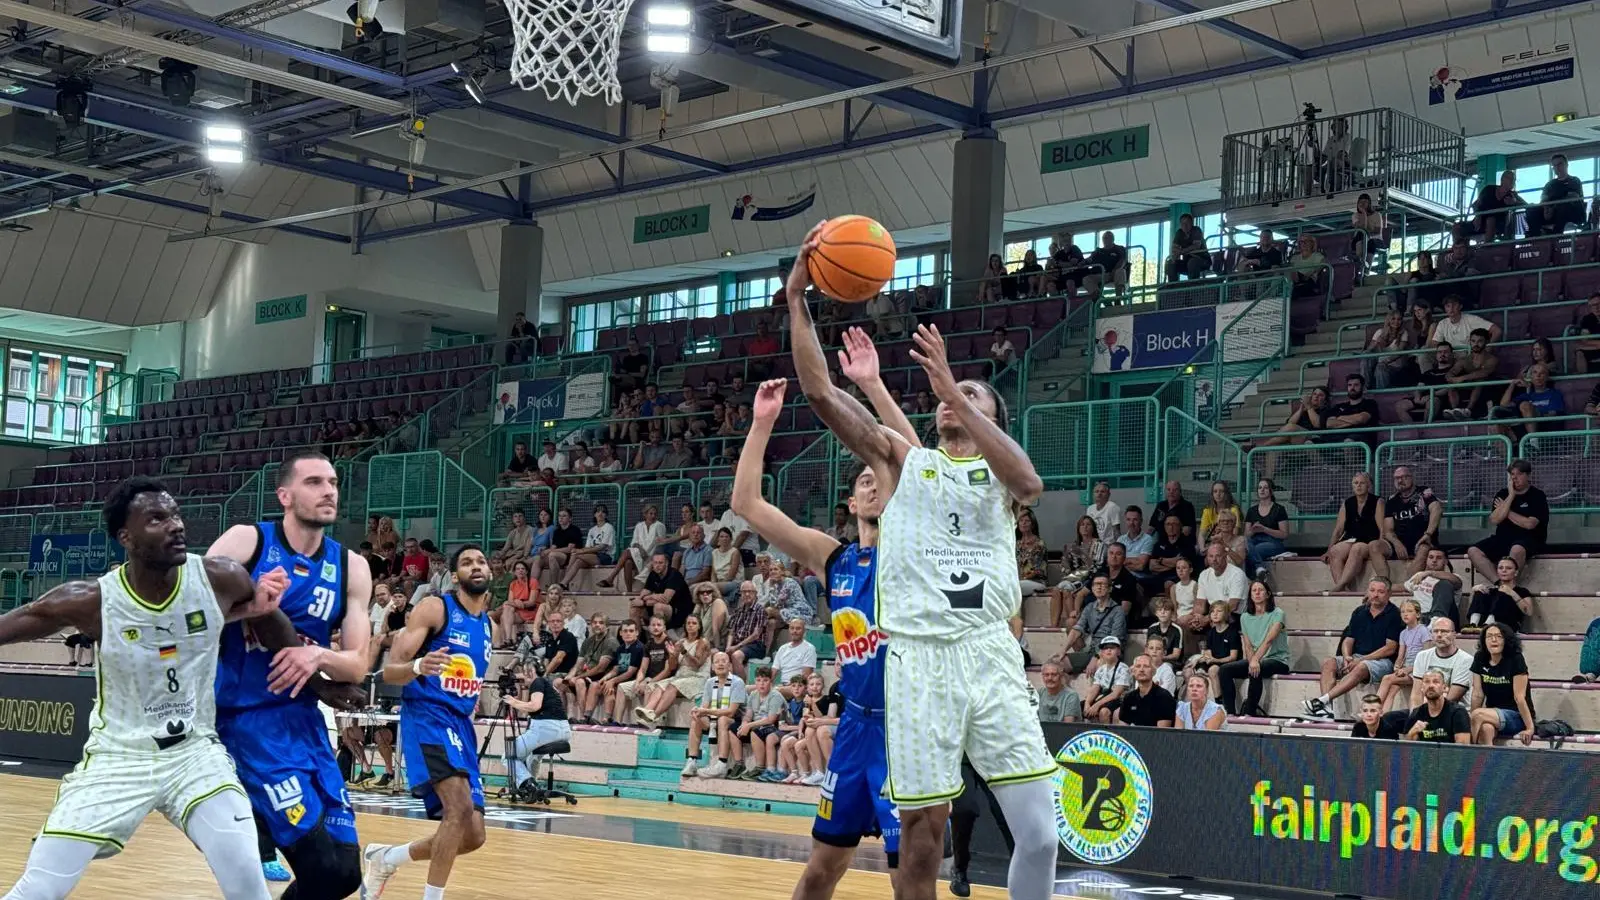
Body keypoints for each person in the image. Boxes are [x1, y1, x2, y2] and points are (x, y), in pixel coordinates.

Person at [785, 224, 1057, 900]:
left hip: (989, 653)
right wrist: (797, 300)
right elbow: (821, 395)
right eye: (944, 394)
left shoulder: (998, 474)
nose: (949, 398)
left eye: (970, 394)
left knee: (1043, 834)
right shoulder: (907, 463)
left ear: (990, 415)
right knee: (922, 840)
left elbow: (1028, 484)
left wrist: (952, 383)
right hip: (919, 660)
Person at [0, 477, 320, 900]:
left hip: (194, 754)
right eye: (156, 518)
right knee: (40, 888)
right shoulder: (90, 600)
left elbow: (270, 620)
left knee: (248, 882)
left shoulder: (219, 577)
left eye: (175, 514)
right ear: (125, 537)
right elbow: (12, 625)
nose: (175, 525)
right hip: (118, 758)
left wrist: (319, 684)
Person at [208, 452, 374, 900]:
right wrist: (252, 609)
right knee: (319, 862)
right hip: (246, 722)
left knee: (341, 875)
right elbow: (189, 615)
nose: (329, 491)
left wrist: (315, 656)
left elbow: (358, 663)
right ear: (284, 495)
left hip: (305, 723)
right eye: (315, 482)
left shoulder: (352, 566)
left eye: (334, 482)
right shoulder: (247, 541)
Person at [362, 545, 495, 900]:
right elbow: (389, 672)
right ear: (455, 576)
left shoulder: (488, 625)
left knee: (473, 835)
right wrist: (420, 666)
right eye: (467, 563)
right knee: (458, 807)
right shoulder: (436, 608)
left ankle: (387, 857)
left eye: (481, 561)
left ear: (490, 572)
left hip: (460, 724)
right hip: (427, 716)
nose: (475, 566)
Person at [1303, 576, 1402, 720]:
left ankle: (1321, 701)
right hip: (1357, 657)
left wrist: (1361, 659)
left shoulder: (1394, 615)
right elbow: (1348, 640)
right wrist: (1347, 657)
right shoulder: (1359, 612)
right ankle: (1326, 709)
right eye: (1372, 590)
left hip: (1382, 661)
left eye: (1380, 591)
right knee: (1328, 662)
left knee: (1361, 666)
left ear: (1388, 594)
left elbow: (1390, 648)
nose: (1375, 595)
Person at [1466, 459, 1549, 584]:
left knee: (1516, 549)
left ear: (1528, 475)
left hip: (1529, 539)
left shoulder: (1537, 496)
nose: (1515, 478)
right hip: (1503, 538)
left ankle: (1511, 585)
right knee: (1473, 551)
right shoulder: (1503, 494)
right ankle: (1499, 583)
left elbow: (1529, 524)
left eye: (1519, 474)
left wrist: (1506, 511)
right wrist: (1511, 496)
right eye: (1512, 475)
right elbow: (1494, 519)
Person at [1217, 579, 1289, 717]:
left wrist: (1255, 661)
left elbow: (1269, 640)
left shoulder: (1277, 613)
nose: (1257, 593)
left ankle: (1250, 712)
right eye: (1254, 590)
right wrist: (1252, 661)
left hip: (1277, 659)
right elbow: (1248, 645)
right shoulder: (1245, 617)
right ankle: (1230, 712)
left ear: (1267, 594)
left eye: (1260, 590)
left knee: (1257, 669)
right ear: (1250, 595)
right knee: (1224, 670)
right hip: (1255, 658)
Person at [502, 669, 572, 798]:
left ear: (530, 672)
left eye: (523, 676)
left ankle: (529, 785)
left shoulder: (537, 682)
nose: (522, 682)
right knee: (532, 756)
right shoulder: (549, 685)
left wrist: (513, 702)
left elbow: (535, 706)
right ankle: (530, 790)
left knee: (508, 755)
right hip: (564, 730)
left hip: (547, 729)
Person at [1469, 623, 1536, 746]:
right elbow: (1477, 694)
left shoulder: (1515, 659)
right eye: (1489, 636)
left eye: (1499, 636)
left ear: (1506, 640)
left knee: (1478, 714)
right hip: (1492, 715)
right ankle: (1485, 763)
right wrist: (1472, 720)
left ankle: (1468, 753)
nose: (1493, 640)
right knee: (1486, 729)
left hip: (1516, 715)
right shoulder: (1480, 657)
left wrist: (1530, 728)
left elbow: (1519, 697)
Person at [1323, 472, 1385, 591]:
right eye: (1355, 483)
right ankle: (1343, 590)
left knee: (1357, 548)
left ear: (1369, 486)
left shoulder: (1378, 501)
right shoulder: (1347, 503)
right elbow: (1338, 530)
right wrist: (1328, 550)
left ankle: (1339, 586)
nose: (1358, 486)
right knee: (1335, 551)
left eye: (1362, 483)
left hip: (1369, 540)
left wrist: (1380, 544)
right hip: (1351, 538)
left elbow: (1382, 527)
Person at [1380, 466, 1442, 577]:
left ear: (1411, 478)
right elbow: (1388, 530)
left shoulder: (1424, 492)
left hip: (1422, 540)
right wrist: (1397, 543)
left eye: (1403, 477)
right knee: (1374, 546)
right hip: (1399, 543)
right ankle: (1383, 581)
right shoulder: (1391, 500)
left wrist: (1428, 534)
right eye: (1397, 478)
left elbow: (1437, 509)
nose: (1400, 481)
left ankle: (1408, 586)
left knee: (1423, 549)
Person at [1465, 556, 1534, 634]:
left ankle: (1489, 624)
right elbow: (1471, 606)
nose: (1504, 570)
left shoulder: (1522, 591)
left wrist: (1512, 593)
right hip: (1482, 627)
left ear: (1516, 572)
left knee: (1503, 593)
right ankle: (1473, 624)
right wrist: (1474, 590)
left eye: (1508, 568)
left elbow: (1529, 612)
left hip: (1507, 625)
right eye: (1501, 568)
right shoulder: (1491, 591)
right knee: (1481, 591)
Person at [1402, 671, 1471, 743]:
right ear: (1422, 688)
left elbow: (1462, 749)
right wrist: (1412, 733)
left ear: (1444, 688)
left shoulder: (1458, 712)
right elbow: (1405, 749)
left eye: (1436, 682)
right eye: (1427, 682)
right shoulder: (1417, 713)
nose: (1431, 685)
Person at [1526, 153, 1586, 235]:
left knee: (1563, 206)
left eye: (1560, 164)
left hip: (1572, 214)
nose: (1557, 168)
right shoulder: (1550, 184)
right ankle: (1535, 235)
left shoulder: (1574, 180)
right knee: (1531, 208)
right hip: (1552, 213)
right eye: (1554, 166)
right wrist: (1546, 209)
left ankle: (1555, 236)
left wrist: (1553, 208)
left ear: (1566, 165)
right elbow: (1544, 199)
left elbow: (1572, 197)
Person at [1242, 478, 1291, 577]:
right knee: (1246, 543)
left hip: (1273, 542)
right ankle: (1259, 569)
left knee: (1253, 551)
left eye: (1265, 488)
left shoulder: (1279, 509)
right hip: (1254, 540)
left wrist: (1265, 529)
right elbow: (1246, 535)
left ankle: (1255, 578)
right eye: (1260, 488)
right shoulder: (1252, 510)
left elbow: (1284, 534)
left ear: (1271, 491)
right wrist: (1253, 530)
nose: (1262, 490)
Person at [1114, 655, 1176, 727]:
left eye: (1146, 666)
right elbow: (1123, 729)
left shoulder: (1164, 697)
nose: (1141, 670)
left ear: (1154, 671)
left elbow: (1162, 733)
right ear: (1133, 672)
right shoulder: (1129, 698)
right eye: (1138, 666)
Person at [1404, 548, 1462, 624]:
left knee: (1444, 584)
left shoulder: (1452, 577)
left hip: (1446, 620)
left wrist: (1429, 573)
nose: (1434, 560)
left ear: (1445, 561)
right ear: (1427, 560)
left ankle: (1436, 619)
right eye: (1431, 557)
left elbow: (1457, 582)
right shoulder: (1419, 575)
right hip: (1421, 618)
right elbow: (1403, 586)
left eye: (1439, 558)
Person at [1166, 213, 1208, 282]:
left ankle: (1192, 286)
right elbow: (1174, 249)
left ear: (1192, 223)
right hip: (1186, 261)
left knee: (1192, 262)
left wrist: (1182, 251)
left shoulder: (1196, 230)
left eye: (1187, 223)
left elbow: (1196, 247)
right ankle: (1172, 286)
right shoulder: (1179, 233)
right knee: (1170, 263)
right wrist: (1175, 256)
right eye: (1182, 223)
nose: (1185, 226)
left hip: (1202, 260)